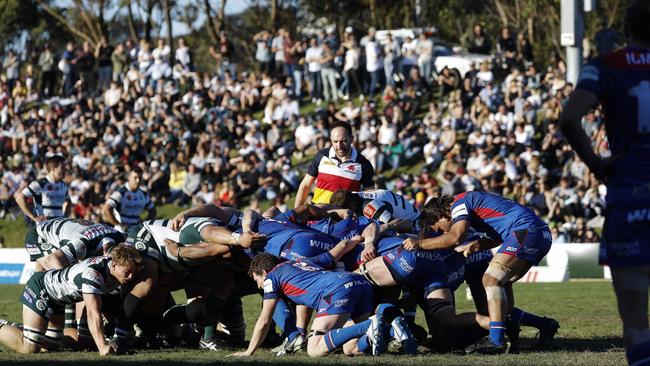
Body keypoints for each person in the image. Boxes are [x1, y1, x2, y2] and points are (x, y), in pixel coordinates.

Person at [558, 2, 650, 364]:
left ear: (626, 30)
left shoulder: (606, 66)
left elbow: (569, 119)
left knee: (636, 324)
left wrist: (597, 165)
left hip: (630, 196)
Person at [403, 192, 555, 354]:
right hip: (539, 232)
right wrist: (474, 246)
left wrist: (419, 243)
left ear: (442, 215)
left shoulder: (458, 203)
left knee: (491, 280)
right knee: (501, 299)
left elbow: (455, 236)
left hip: (526, 230)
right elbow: (496, 239)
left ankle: (496, 341)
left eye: (440, 229)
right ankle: (545, 325)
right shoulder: (471, 206)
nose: (443, 234)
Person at [231, 242, 411, 357]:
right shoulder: (301, 263)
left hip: (336, 291)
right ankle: (390, 322)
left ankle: (371, 324)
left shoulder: (271, 277)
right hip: (359, 283)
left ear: (263, 272)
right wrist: (353, 241)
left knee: (314, 349)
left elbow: (264, 320)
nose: (258, 286)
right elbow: (335, 252)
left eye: (257, 280)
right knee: (352, 349)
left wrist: (249, 351)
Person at [0, 244, 142, 355]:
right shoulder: (93, 274)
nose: (130, 276)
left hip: (58, 298)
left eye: (132, 272)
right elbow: (93, 313)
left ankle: (21, 328)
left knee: (50, 345)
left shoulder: (115, 269)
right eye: (127, 272)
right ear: (115, 264)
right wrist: (102, 347)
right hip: (42, 289)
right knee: (30, 348)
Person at [295, 121, 374, 207]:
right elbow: (305, 185)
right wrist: (295, 214)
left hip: (345, 218)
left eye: (343, 141)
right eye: (335, 141)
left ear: (351, 139)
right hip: (317, 215)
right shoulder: (321, 156)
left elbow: (370, 195)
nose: (339, 146)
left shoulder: (363, 164)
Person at [24, 217, 125, 272]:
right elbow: (54, 260)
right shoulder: (82, 245)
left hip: (62, 228)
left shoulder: (119, 236)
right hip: (38, 235)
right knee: (62, 280)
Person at [15, 155, 70, 224]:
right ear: (53, 169)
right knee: (30, 235)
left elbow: (68, 202)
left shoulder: (63, 185)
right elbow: (19, 198)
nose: (65, 170)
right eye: (62, 167)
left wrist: (65, 217)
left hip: (59, 226)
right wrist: (33, 217)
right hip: (44, 227)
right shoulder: (40, 183)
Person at [102, 168, 156, 233]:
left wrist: (145, 225)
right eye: (135, 177)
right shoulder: (121, 193)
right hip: (121, 233)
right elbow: (105, 210)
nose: (138, 180)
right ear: (129, 177)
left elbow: (152, 210)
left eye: (140, 178)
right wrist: (119, 225)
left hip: (137, 232)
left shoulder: (144, 194)